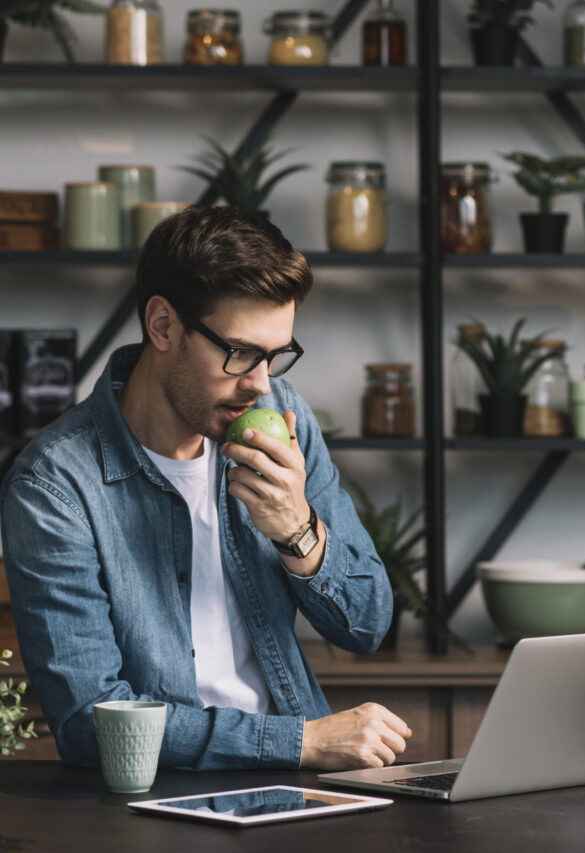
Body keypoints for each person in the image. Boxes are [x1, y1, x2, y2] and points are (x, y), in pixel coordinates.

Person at [0, 205, 412, 771]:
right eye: (240, 353)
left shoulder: (285, 420)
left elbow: (367, 627)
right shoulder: (56, 484)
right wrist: (301, 743)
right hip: (158, 800)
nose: (261, 383)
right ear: (163, 324)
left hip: (300, 791)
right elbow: (89, 720)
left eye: (276, 356)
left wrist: (297, 530)